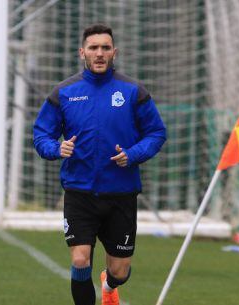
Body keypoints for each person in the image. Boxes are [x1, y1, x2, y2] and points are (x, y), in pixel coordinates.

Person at [33, 24, 166, 305]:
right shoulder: (64, 92)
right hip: (79, 193)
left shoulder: (133, 91)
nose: (100, 53)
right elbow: (41, 134)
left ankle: (110, 284)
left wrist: (132, 154)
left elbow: (156, 133)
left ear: (114, 52)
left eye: (105, 47)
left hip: (121, 193)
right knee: (80, 260)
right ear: (82, 52)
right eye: (93, 48)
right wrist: (56, 148)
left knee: (120, 270)